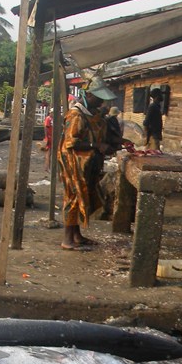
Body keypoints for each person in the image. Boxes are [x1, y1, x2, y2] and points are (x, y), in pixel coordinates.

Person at [58, 76, 117, 251]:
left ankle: (77, 235)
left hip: (87, 163)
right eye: (99, 98)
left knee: (85, 196)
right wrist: (96, 146)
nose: (101, 103)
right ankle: (67, 239)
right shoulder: (76, 115)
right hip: (73, 162)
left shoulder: (93, 114)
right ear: (89, 95)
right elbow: (71, 142)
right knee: (74, 197)